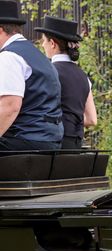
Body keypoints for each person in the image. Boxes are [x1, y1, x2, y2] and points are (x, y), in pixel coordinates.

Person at [0, 0, 63, 151]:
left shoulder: (9, 56)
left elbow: (10, 106)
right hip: (51, 141)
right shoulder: (38, 56)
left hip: (24, 140)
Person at [36, 15, 96, 149]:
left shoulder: (48, 72)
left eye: (43, 41)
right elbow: (92, 119)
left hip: (53, 143)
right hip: (75, 145)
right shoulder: (83, 76)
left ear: (52, 43)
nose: (42, 45)